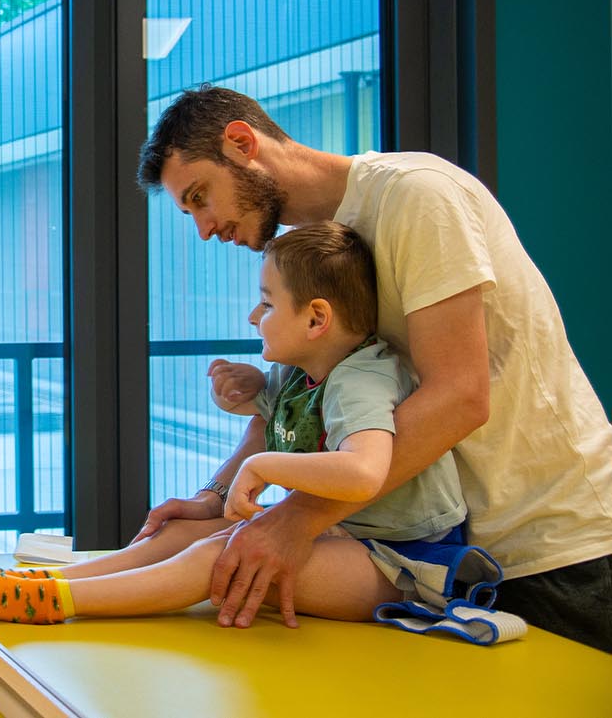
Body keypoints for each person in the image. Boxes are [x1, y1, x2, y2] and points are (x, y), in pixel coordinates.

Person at [135, 84, 612, 652]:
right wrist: (215, 495)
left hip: (552, 543)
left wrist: (296, 520)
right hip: (449, 556)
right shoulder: (322, 250)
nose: (204, 229)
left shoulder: (417, 197)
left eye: (200, 197)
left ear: (241, 143)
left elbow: (460, 396)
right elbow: (300, 405)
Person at [0, 223, 476, 627]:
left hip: (402, 562)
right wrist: (245, 395)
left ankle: (56, 601)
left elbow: (365, 473)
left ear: (317, 319)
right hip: (343, 534)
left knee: (222, 555)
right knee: (185, 531)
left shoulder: (362, 379)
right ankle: (48, 577)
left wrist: (263, 466)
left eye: (268, 303)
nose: (253, 316)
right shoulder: (299, 370)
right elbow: (275, 424)